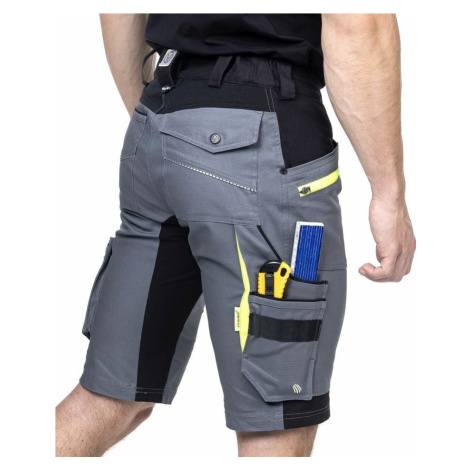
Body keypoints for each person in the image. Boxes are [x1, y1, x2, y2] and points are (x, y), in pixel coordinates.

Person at [55, 13, 416, 457]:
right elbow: (357, 21)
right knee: (276, 421)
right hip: (257, 142)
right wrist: (388, 193)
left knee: (109, 396)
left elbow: (120, 12)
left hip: (158, 122)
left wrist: (169, 135)